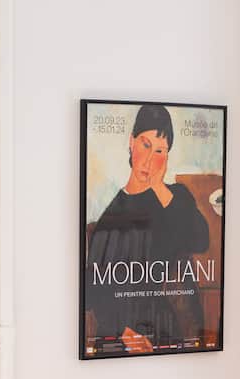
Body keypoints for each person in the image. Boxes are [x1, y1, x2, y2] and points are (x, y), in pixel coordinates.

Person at [85, 104, 209, 354]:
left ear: (167, 157)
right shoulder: (110, 219)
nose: (150, 159)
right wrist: (124, 332)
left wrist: (159, 187)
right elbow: (93, 291)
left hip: (163, 324)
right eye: (145, 145)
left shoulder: (175, 197)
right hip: (119, 332)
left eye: (160, 150)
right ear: (131, 143)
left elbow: (200, 240)